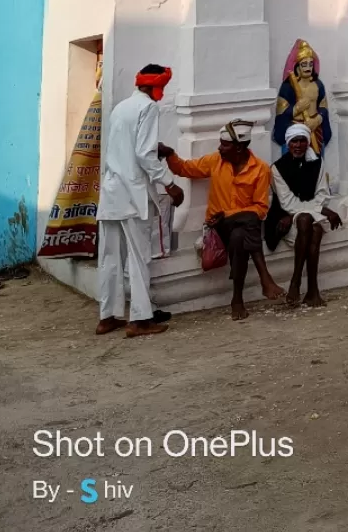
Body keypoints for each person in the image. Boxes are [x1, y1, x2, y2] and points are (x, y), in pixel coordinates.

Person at [161, 120, 284, 321]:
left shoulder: (260, 169)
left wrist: (229, 214)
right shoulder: (215, 161)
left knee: (240, 236)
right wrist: (169, 154)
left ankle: (237, 299)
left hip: (240, 226)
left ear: (239, 147)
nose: (220, 148)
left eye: (224, 145)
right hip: (217, 227)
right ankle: (265, 278)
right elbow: (185, 168)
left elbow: (261, 208)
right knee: (248, 222)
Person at [96, 64, 184, 338]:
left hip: (112, 191)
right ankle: (140, 319)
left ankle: (107, 316)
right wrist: (169, 183)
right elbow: (144, 154)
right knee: (138, 257)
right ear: (155, 86)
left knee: (110, 257)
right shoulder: (148, 108)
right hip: (133, 194)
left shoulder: (121, 107)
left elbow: (128, 146)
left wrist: (158, 148)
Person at [266, 123, 342, 308]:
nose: (298, 145)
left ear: (308, 143)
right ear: (288, 144)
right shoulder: (277, 168)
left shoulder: (317, 163)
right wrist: (322, 210)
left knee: (312, 227)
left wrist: (320, 208)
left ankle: (307, 288)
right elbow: (288, 203)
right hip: (286, 220)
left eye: (302, 141)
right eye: (294, 141)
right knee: (306, 220)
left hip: (307, 220)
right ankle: (301, 284)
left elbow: (323, 194)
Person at [273, 38, 332, 156]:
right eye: (304, 64)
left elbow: (323, 108)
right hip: (295, 130)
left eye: (311, 64)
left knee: (316, 165)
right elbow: (281, 113)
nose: (308, 68)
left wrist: (317, 120)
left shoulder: (318, 85)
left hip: (315, 131)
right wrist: (296, 109)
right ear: (297, 67)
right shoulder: (288, 87)